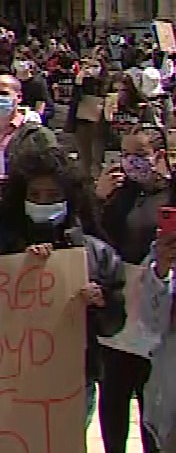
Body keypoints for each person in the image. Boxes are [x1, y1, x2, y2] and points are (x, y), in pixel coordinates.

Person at [0, 143, 126, 419]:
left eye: (52, 196)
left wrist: (99, 303)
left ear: (69, 198)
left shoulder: (96, 254)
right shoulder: (0, 249)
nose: (43, 202)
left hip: (73, 382)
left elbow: (114, 325)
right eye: (35, 195)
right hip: (10, 382)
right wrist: (19, 268)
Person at [96, 127, 171, 453]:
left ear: (160, 156)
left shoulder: (170, 196)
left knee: (151, 404)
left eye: (139, 155)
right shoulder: (118, 195)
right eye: (125, 155)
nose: (131, 163)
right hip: (117, 311)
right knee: (113, 399)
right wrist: (98, 198)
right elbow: (94, 237)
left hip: (157, 312)